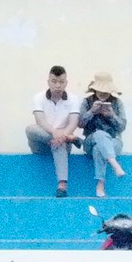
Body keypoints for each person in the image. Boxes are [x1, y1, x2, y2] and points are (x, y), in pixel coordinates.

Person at [26, 65, 83, 197]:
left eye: (61, 82)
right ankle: (70, 138)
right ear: (48, 82)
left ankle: (62, 186)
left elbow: (73, 123)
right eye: (54, 81)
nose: (58, 85)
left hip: (61, 143)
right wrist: (57, 133)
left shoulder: (73, 99)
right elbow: (40, 121)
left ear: (66, 83)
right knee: (30, 129)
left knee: (59, 143)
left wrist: (62, 136)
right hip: (42, 142)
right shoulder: (39, 97)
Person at [81, 73, 128, 195]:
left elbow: (122, 127)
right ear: (95, 89)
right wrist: (91, 112)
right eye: (100, 90)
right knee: (99, 134)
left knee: (99, 149)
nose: (103, 93)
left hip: (113, 141)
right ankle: (115, 165)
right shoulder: (87, 102)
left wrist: (112, 115)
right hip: (91, 140)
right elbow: (80, 123)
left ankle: (100, 184)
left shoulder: (117, 103)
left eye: (106, 91)